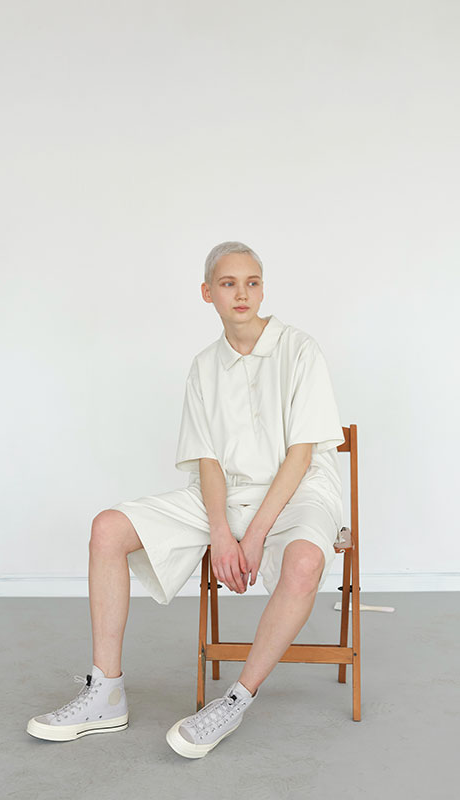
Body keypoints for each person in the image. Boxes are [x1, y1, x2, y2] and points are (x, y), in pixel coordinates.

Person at [26, 241, 345, 759]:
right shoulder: (204, 367)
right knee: (108, 528)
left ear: (263, 289)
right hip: (224, 494)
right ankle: (105, 692)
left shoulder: (300, 350)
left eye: (252, 283)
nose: (242, 294)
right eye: (228, 283)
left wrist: (253, 536)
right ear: (207, 293)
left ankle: (236, 699)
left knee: (307, 560)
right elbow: (208, 462)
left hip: (299, 490)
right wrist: (221, 532)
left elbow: (300, 455)